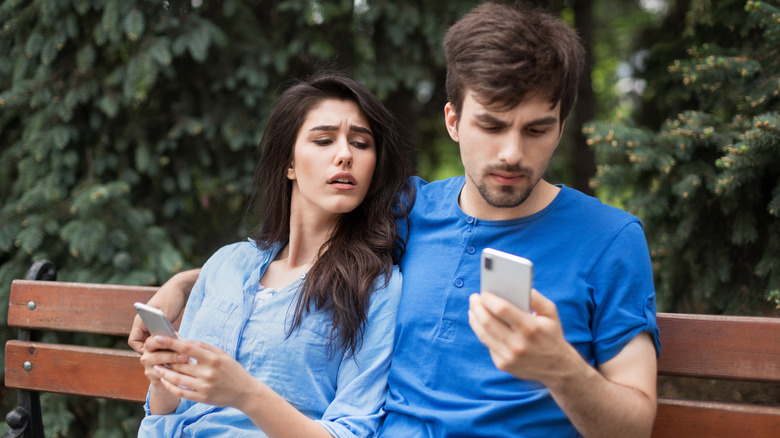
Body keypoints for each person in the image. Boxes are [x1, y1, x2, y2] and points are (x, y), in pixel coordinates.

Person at [130, 3, 660, 437]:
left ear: (562, 124)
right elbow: (300, 258)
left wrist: (558, 367)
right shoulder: (406, 210)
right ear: (453, 121)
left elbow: (635, 424)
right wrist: (185, 283)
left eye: (537, 130)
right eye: (491, 126)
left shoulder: (610, 240)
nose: (511, 153)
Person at [135, 72, 413, 437]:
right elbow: (165, 414)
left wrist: (246, 394)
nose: (345, 155)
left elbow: (351, 431)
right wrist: (162, 376)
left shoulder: (375, 287)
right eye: (324, 140)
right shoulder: (227, 265)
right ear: (289, 164)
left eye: (361, 144)